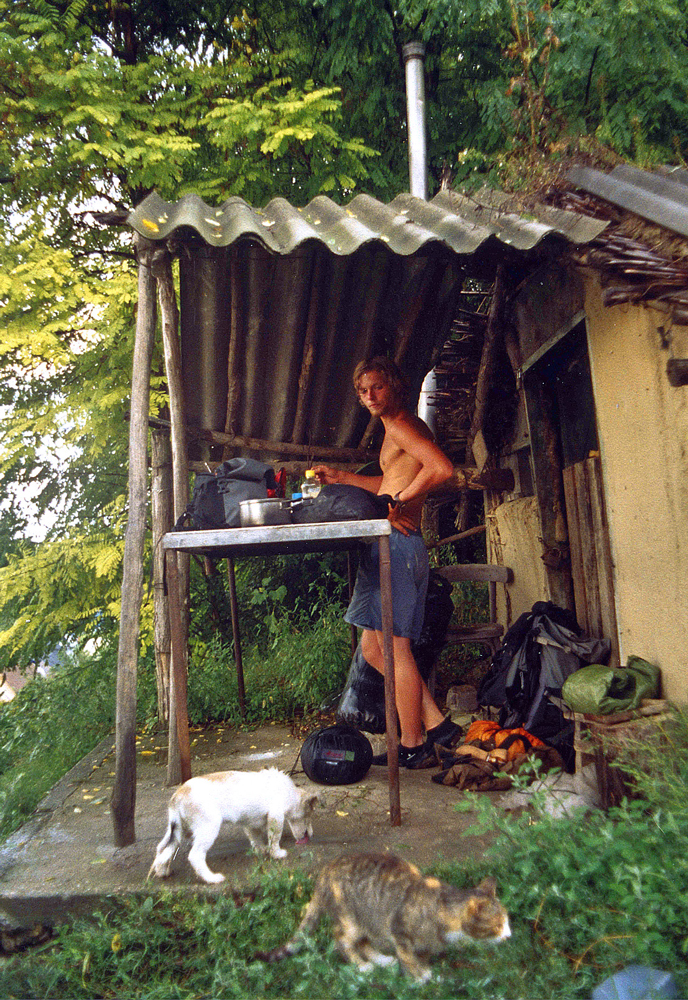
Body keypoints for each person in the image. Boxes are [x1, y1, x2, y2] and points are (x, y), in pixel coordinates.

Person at [313, 356, 461, 768]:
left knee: (394, 649)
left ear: (394, 386)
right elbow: (387, 482)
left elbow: (441, 469)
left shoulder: (401, 425)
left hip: (397, 544)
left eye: (376, 387)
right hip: (391, 544)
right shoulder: (398, 428)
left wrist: (399, 501)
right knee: (374, 647)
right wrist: (344, 479)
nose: (369, 396)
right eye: (362, 391)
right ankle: (438, 727)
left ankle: (414, 743)